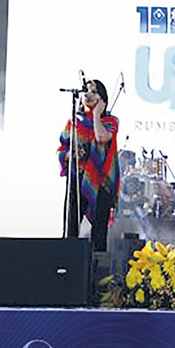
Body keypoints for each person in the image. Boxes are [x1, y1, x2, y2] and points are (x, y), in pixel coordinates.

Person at [57, 79, 119, 251]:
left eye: (94, 91)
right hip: (77, 178)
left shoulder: (111, 121)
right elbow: (62, 147)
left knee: (99, 231)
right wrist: (69, 154)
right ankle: (67, 264)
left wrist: (97, 115)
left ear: (103, 98)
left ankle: (97, 272)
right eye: (87, 90)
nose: (89, 94)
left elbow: (101, 138)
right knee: (71, 228)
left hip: (101, 181)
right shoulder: (74, 122)